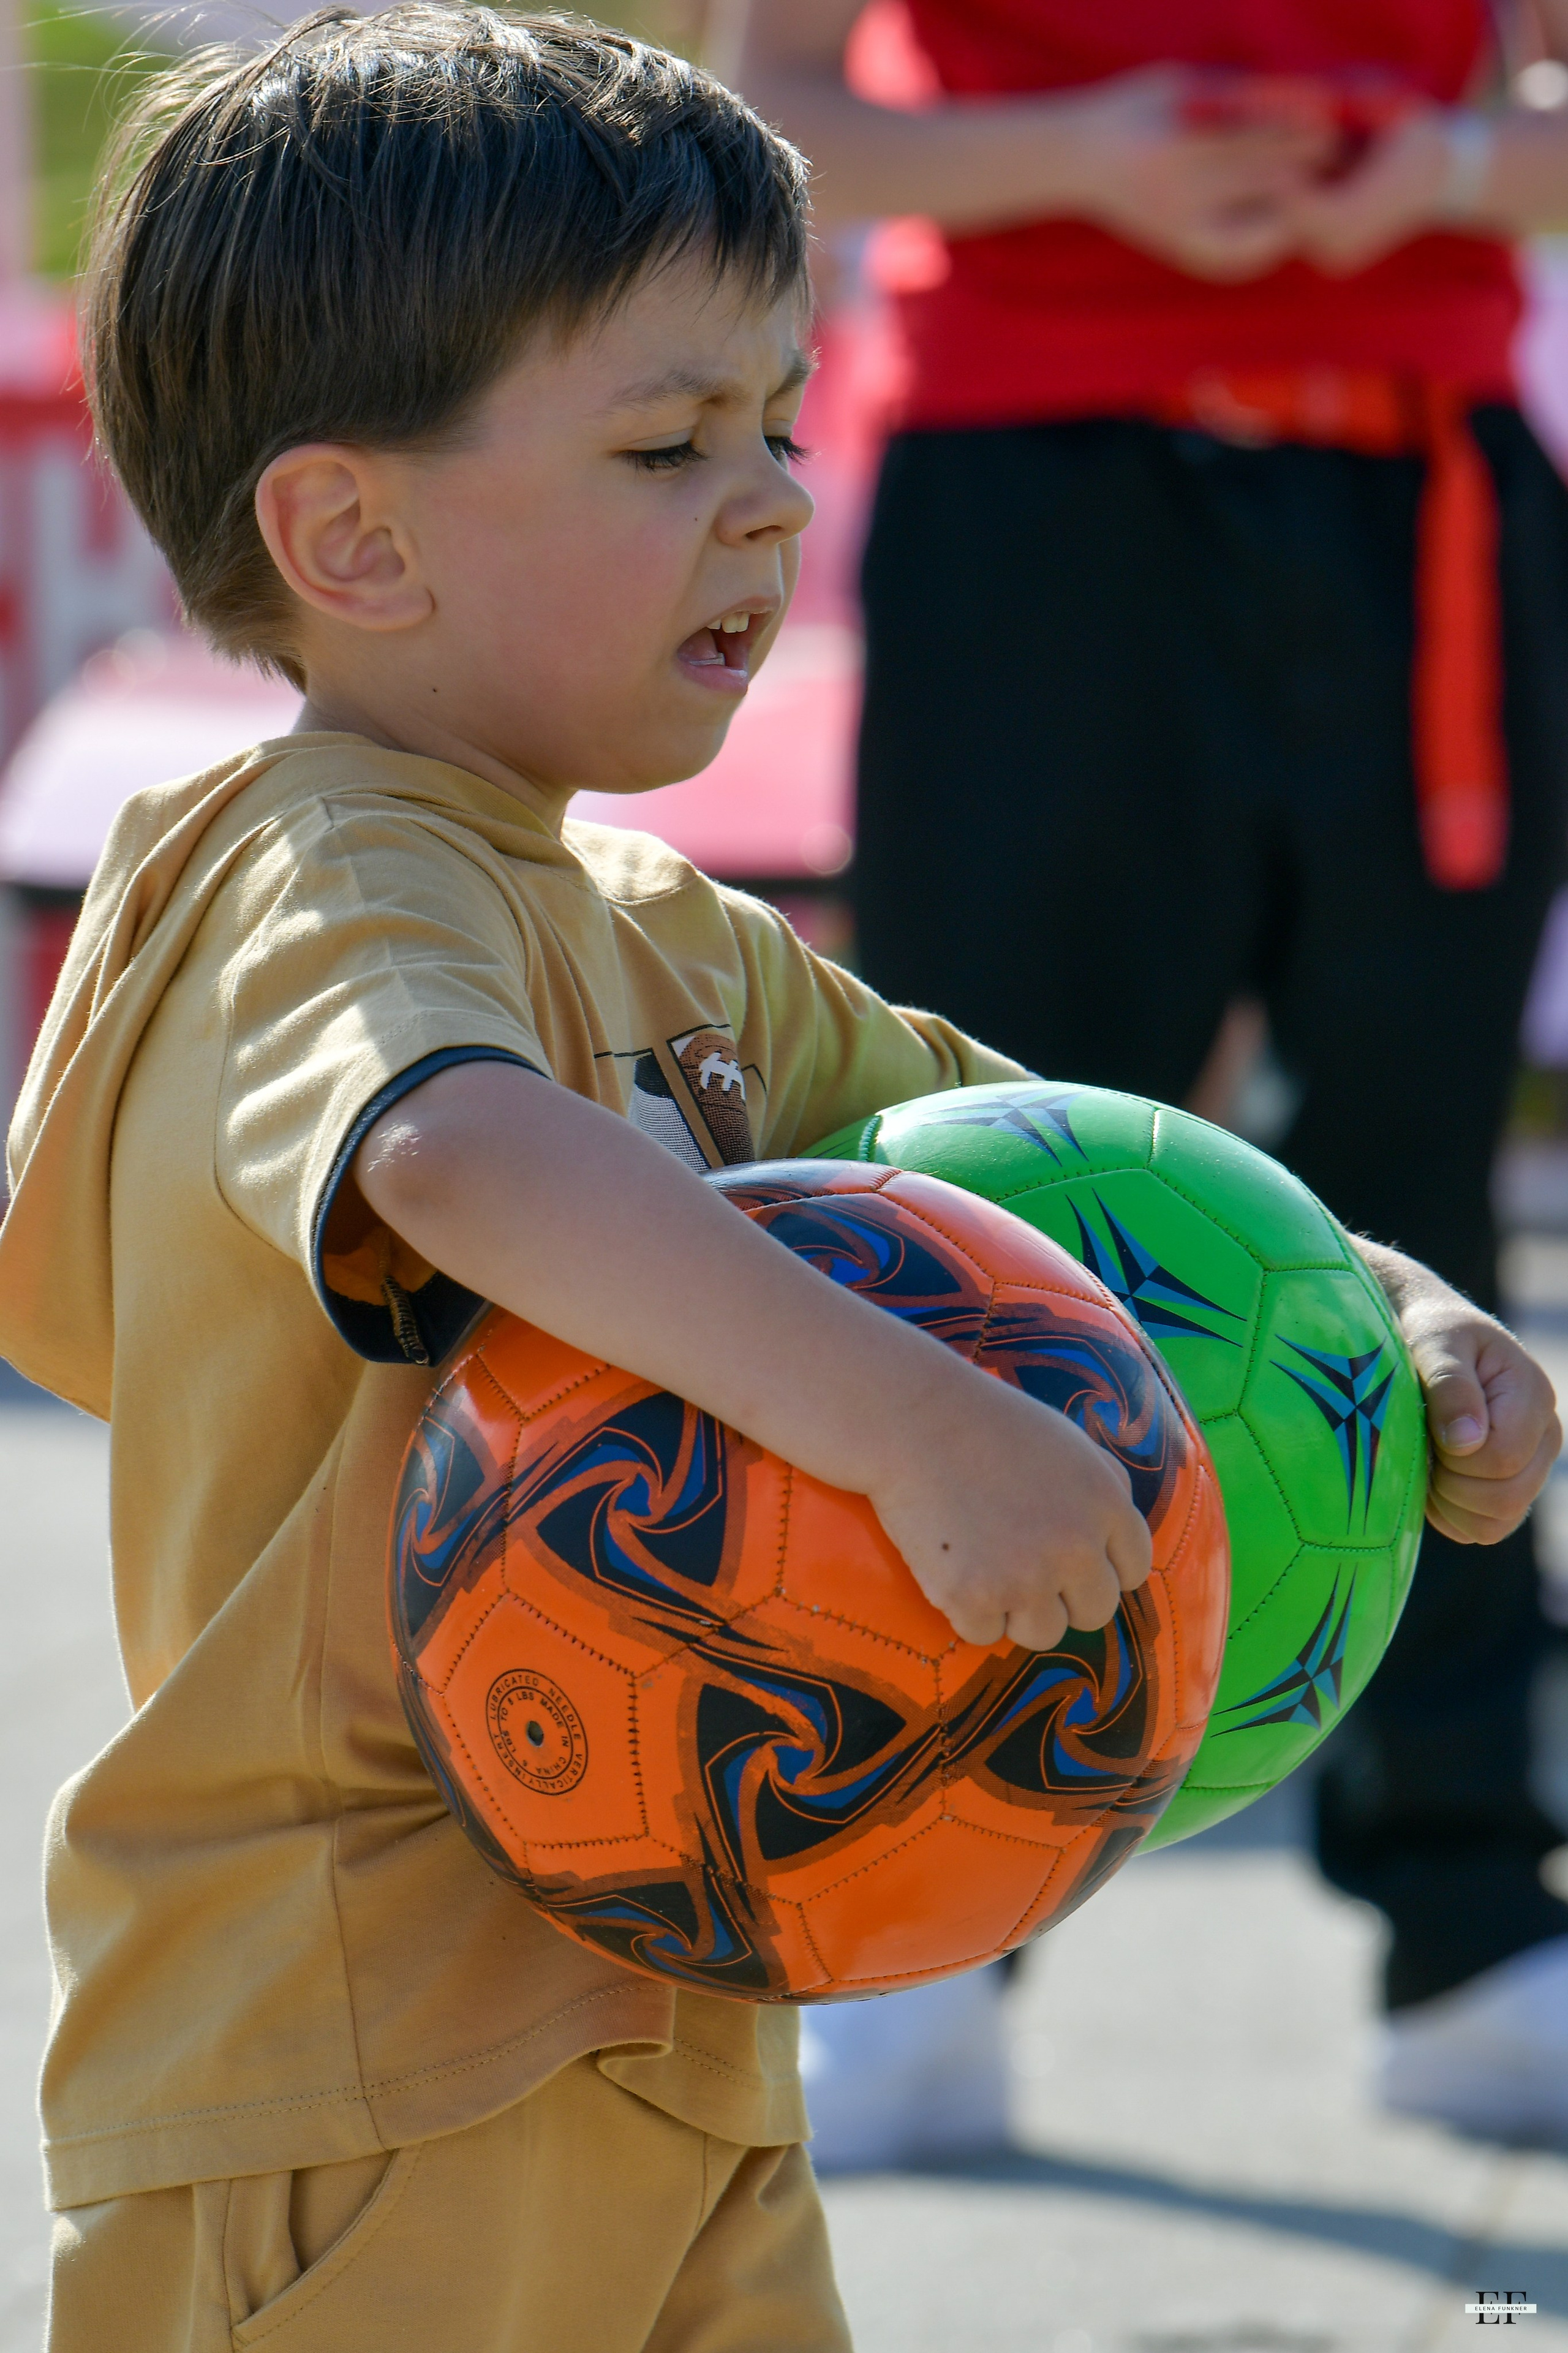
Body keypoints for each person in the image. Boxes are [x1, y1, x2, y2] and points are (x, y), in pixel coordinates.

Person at [0, 9, 1553, 2341]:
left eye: (782, 422)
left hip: (678, 1992)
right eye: (668, 439)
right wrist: (920, 1418)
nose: (777, 499)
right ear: (349, 533)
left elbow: (1069, 1166)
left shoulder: (648, 919)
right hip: (351, 2058)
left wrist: (1378, 1300)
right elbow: (457, 1152)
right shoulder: (317, 871)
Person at [739, 0, 1568, 2162]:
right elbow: (772, 118)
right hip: (1042, 510)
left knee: (1422, 1204)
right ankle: (906, 1930)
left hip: (1426, 500)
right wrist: (1093, 158)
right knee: (962, 1226)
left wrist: (1455, 176)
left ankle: (1474, 1912)